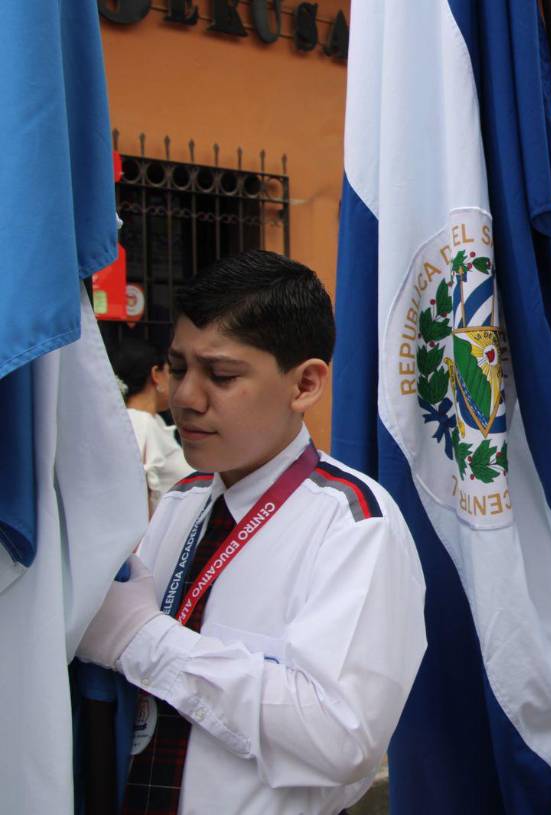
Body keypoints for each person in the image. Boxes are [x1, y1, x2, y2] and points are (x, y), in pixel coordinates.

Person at [77, 250, 427, 815]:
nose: (186, 398)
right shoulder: (182, 502)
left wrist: (143, 640)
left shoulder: (353, 523)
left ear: (305, 384)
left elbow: (339, 738)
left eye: (220, 375)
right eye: (179, 368)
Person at [110, 337, 193, 514]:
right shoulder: (140, 423)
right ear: (156, 374)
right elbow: (136, 492)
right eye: (174, 372)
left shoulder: (151, 421)